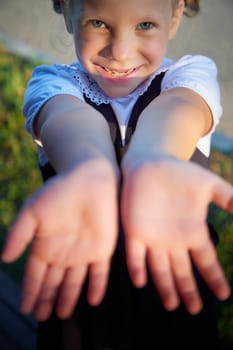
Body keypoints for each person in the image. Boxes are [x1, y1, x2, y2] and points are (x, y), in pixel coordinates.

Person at [1, 0, 233, 348]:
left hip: (176, 295)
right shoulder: (53, 84)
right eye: (98, 22)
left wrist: (152, 158)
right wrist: (91, 168)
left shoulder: (188, 78)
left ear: (173, 16)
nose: (120, 53)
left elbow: (179, 110)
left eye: (144, 26)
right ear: (66, 10)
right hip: (81, 306)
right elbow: (68, 120)